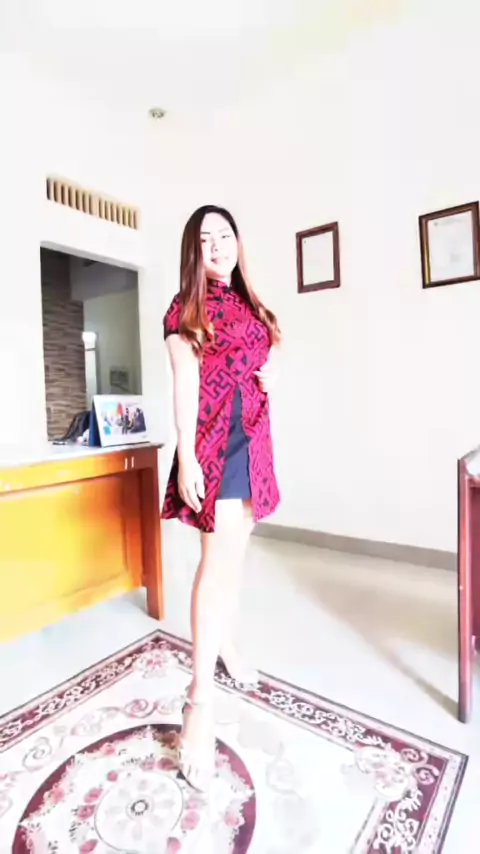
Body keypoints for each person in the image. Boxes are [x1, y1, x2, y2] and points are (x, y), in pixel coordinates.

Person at [162, 204, 281, 790]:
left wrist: (274, 373)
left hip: (255, 441)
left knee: (236, 556)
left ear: (238, 241)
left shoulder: (251, 302)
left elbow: (269, 347)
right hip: (216, 441)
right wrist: (186, 453)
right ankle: (199, 703)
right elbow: (185, 383)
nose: (218, 245)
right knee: (217, 562)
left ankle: (225, 641)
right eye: (205, 238)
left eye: (226, 235)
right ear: (193, 250)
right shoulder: (186, 309)